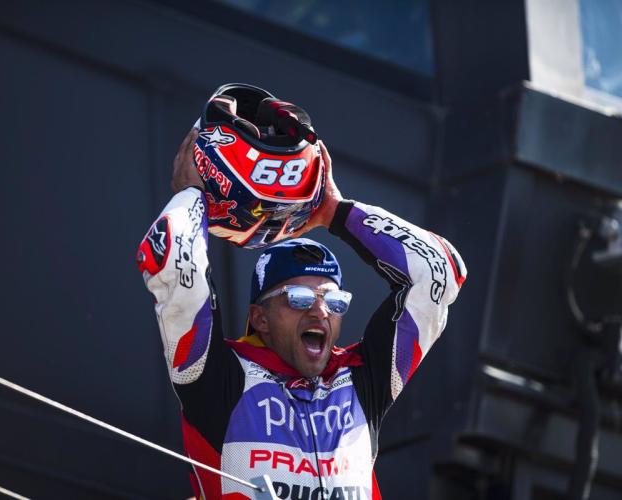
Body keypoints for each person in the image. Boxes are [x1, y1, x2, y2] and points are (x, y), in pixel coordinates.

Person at [137, 128, 466, 500]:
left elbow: (440, 273)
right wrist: (192, 195)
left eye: (334, 301)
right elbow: (173, 267)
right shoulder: (215, 378)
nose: (320, 310)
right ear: (260, 318)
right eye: (298, 298)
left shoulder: (365, 381)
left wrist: (336, 212)